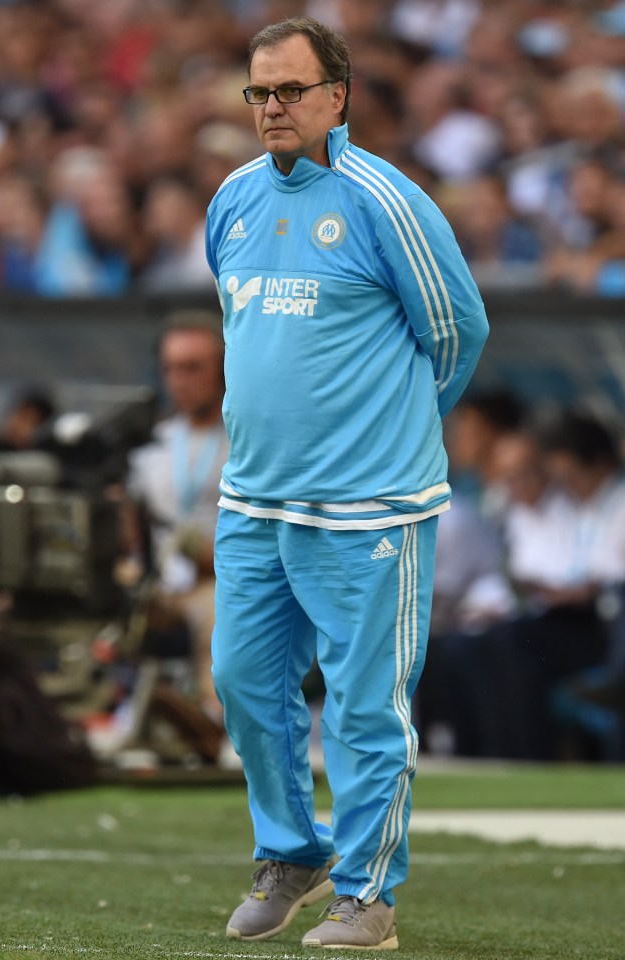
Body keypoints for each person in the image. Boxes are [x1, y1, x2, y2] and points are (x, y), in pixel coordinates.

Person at [205, 16, 488, 951]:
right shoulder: (233, 200)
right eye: (260, 92)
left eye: (290, 90)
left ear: (338, 95)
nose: (273, 107)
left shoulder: (385, 199)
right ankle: (292, 852)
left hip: (369, 505)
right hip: (254, 498)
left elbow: (457, 332)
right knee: (243, 681)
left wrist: (390, 431)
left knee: (366, 707)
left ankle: (368, 896)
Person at [125, 311, 228, 735]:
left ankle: (210, 717)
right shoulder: (149, 448)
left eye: (192, 367)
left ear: (222, 368)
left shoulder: (247, 442)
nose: (179, 380)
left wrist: (216, 558)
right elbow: (132, 530)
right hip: (159, 584)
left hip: (220, 580)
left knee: (223, 611)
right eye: (170, 369)